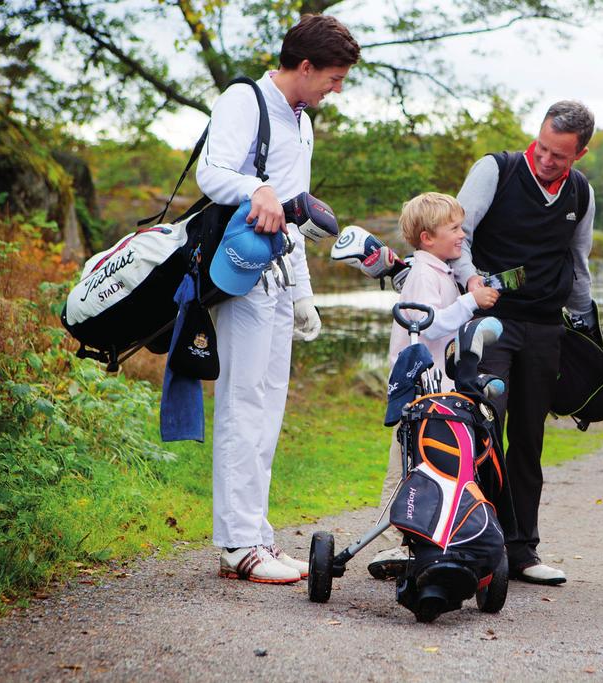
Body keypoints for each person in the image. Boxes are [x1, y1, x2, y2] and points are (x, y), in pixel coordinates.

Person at [195, 15, 360, 584]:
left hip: (278, 280)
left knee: (268, 409)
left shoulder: (301, 120)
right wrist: (255, 188)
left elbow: (297, 213)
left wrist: (304, 293)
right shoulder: (246, 100)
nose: (335, 90)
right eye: (332, 78)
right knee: (242, 409)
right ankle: (238, 545)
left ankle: (258, 535)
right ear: (305, 66)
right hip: (238, 277)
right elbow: (212, 173)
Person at [451, 101, 597, 586]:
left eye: (559, 155)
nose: (546, 160)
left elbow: (578, 262)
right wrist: (470, 281)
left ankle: (522, 550)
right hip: (491, 320)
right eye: (542, 146)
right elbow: (459, 235)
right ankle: (471, 544)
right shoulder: (497, 169)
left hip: (544, 327)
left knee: (528, 441)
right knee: (482, 433)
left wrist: (587, 327)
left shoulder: (580, 192)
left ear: (579, 153)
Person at [367, 193, 500, 579]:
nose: (462, 235)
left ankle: (426, 535)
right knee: (406, 463)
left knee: (431, 462)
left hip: (436, 388)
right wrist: (471, 302)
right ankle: (392, 539)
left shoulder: (439, 270)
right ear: (428, 237)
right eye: (454, 229)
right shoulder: (425, 275)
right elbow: (427, 324)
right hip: (416, 389)